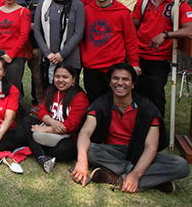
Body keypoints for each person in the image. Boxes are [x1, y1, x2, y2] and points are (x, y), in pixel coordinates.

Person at [71, 62, 190, 193]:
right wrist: (82, 161)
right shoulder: (101, 103)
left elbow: (151, 147)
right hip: (112, 153)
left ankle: (117, 179)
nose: (120, 83)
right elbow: (85, 132)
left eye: (125, 79)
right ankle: (153, 182)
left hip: (140, 152)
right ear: (110, 83)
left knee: (181, 165)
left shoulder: (147, 108)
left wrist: (135, 175)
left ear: (133, 84)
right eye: (115, 78)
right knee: (88, 149)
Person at [132, 0, 192, 115]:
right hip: (138, 56)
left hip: (160, 58)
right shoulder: (145, 1)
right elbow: (132, 26)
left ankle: (156, 130)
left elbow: (189, 30)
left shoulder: (179, 4)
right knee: (136, 93)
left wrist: (165, 35)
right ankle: (138, 127)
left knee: (155, 94)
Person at [81, 0, 140, 103]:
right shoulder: (85, 11)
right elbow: (81, 39)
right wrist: (84, 57)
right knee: (94, 102)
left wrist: (134, 63)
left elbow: (131, 40)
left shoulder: (123, 12)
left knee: (115, 101)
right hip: (91, 67)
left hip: (114, 67)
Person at [22, 63, 89, 174]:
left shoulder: (80, 98)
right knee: (26, 121)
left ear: (74, 79)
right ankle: (41, 157)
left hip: (68, 136)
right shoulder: (51, 91)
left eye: (65, 77)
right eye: (57, 76)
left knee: (63, 150)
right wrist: (52, 122)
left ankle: (35, 147)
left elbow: (71, 126)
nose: (60, 80)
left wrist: (44, 130)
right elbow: (42, 111)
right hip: (50, 126)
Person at [35, 0, 85, 90]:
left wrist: (61, 55)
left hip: (70, 57)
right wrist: (48, 54)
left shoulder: (77, 5)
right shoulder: (43, 4)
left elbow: (78, 33)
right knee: (49, 93)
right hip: (48, 58)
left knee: (70, 94)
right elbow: (37, 30)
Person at [0, 0, 31, 112]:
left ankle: (25, 118)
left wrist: (11, 55)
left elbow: (23, 36)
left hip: (15, 57)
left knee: (13, 90)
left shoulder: (24, 12)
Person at [17, 0, 46, 113]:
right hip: (19, 46)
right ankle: (17, 105)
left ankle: (41, 106)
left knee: (38, 78)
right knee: (16, 78)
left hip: (36, 45)